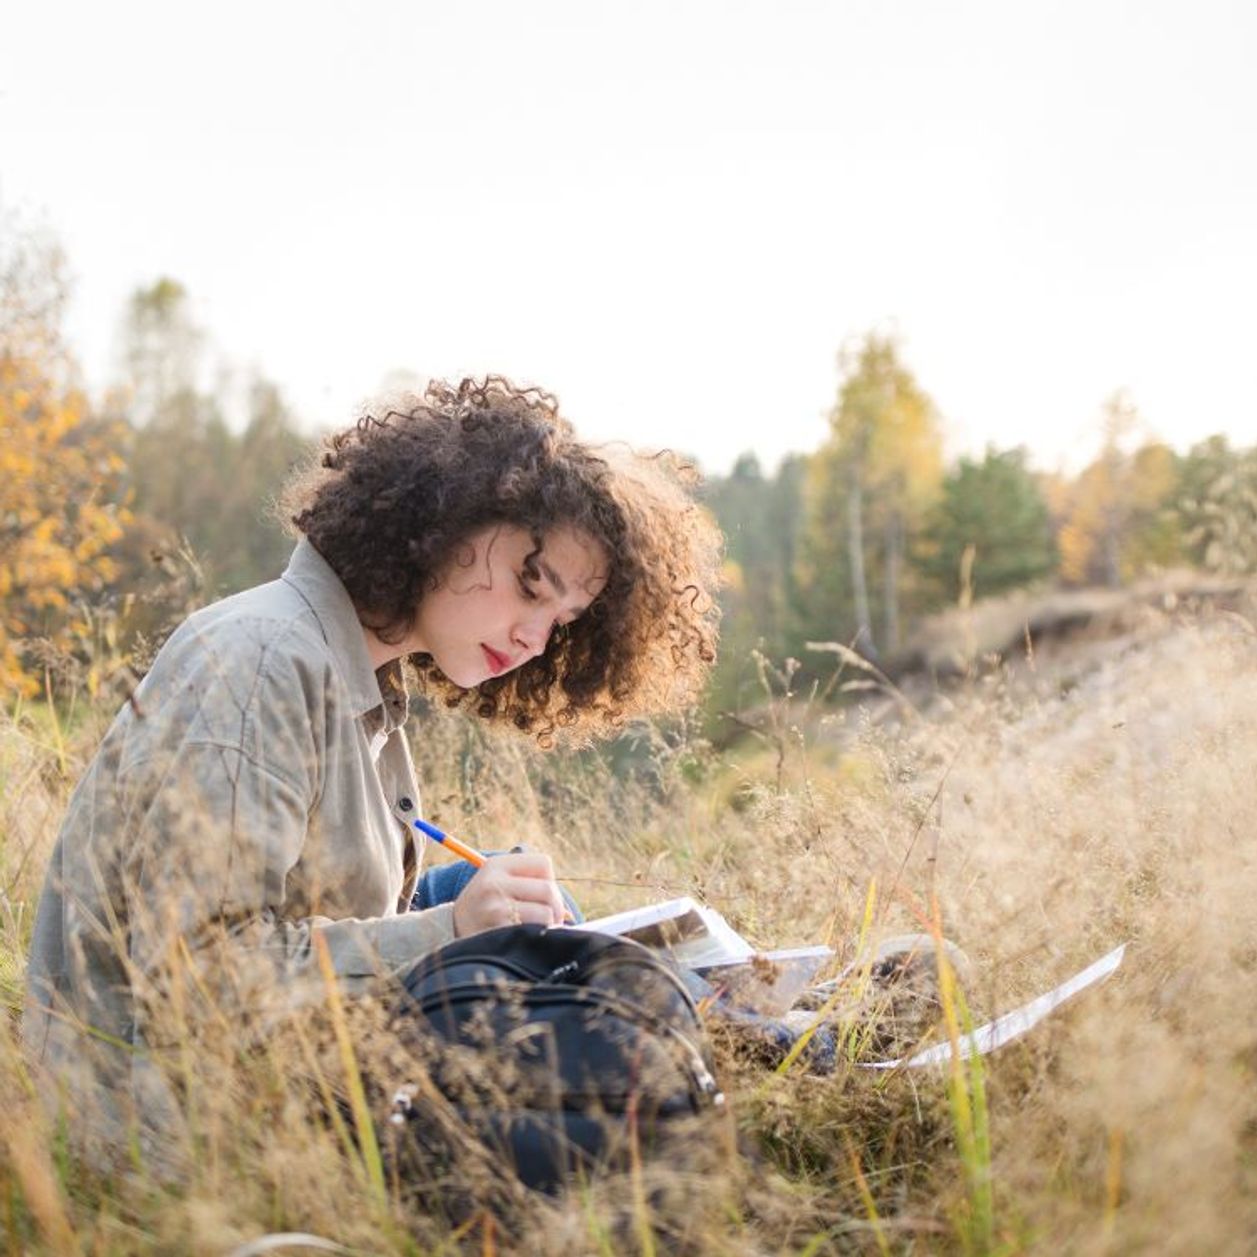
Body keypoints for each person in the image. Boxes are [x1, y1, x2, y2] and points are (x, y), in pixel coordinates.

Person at [22, 376, 721, 1162]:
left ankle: (715, 1014)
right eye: (531, 583)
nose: (533, 636)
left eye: (560, 621)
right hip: (169, 1146)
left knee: (541, 938)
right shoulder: (263, 662)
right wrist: (448, 931)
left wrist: (462, 904)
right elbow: (202, 980)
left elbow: (312, 896)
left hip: (273, 1097)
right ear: (443, 518)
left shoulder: (363, 680)